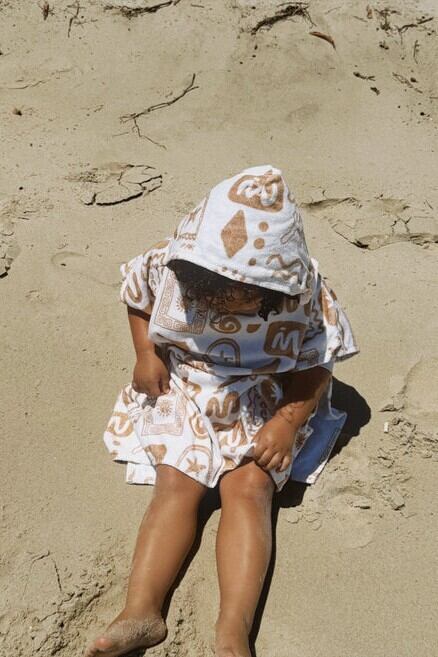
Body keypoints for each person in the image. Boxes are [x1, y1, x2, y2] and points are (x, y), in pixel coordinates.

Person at [85, 165, 359, 657]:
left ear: (275, 285)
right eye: (211, 291)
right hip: (188, 382)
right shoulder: (170, 265)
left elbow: (318, 362)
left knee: (250, 489)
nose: (226, 301)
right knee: (176, 482)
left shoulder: (304, 296)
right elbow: (137, 299)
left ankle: (234, 627)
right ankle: (141, 611)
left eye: (246, 295)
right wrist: (146, 354)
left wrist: (288, 421)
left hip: (266, 394)